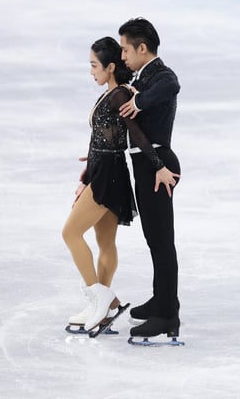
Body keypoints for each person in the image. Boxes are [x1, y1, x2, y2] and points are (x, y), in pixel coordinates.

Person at [61, 36, 163, 334]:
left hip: (109, 173)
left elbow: (137, 133)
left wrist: (159, 165)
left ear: (110, 67)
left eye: (94, 65)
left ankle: (100, 297)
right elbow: (103, 139)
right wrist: (86, 173)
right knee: (105, 242)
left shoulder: (118, 95)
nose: (91, 71)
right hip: (104, 169)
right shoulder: (111, 94)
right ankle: (105, 306)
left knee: (70, 233)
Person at [118, 18, 182, 340]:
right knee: (154, 240)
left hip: (159, 164)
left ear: (143, 48)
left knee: (162, 242)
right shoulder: (141, 76)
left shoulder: (161, 75)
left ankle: (168, 315)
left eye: (126, 50)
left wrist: (138, 100)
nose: (123, 57)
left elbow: (172, 86)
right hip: (144, 163)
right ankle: (162, 298)